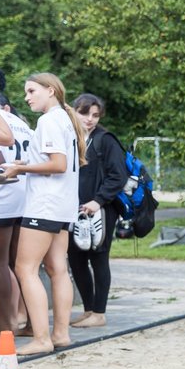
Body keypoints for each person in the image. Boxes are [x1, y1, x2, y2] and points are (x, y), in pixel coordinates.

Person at [0, 73, 84, 356]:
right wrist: (26, 163)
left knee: (25, 269)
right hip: (63, 204)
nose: (27, 97)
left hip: (44, 204)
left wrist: (20, 169)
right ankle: (60, 333)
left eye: (32, 91)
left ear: (50, 91)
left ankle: (42, 338)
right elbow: (57, 162)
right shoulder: (65, 120)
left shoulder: (48, 121)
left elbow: (57, 164)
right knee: (58, 270)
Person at [68, 94, 128, 329]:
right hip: (75, 209)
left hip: (101, 210)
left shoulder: (105, 140)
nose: (90, 119)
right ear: (74, 111)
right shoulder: (71, 138)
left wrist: (98, 201)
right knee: (76, 258)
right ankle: (89, 309)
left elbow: (118, 176)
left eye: (95, 115)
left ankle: (99, 312)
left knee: (99, 257)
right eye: (85, 114)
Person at [0, 67, 32, 334]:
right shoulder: (18, 119)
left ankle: (5, 327)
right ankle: (29, 321)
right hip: (24, 196)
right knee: (20, 264)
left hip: (1, 197)